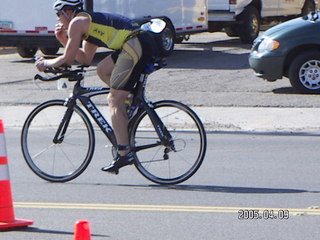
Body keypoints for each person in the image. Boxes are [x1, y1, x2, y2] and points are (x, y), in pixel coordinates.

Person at [36, 0, 156, 174]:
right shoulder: (87, 26)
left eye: (58, 14)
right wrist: (63, 40)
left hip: (135, 43)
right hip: (135, 43)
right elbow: (85, 58)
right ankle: (128, 100)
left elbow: (68, 59)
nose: (58, 19)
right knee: (102, 69)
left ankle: (124, 153)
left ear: (68, 12)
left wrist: (46, 63)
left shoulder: (77, 23)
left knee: (114, 99)